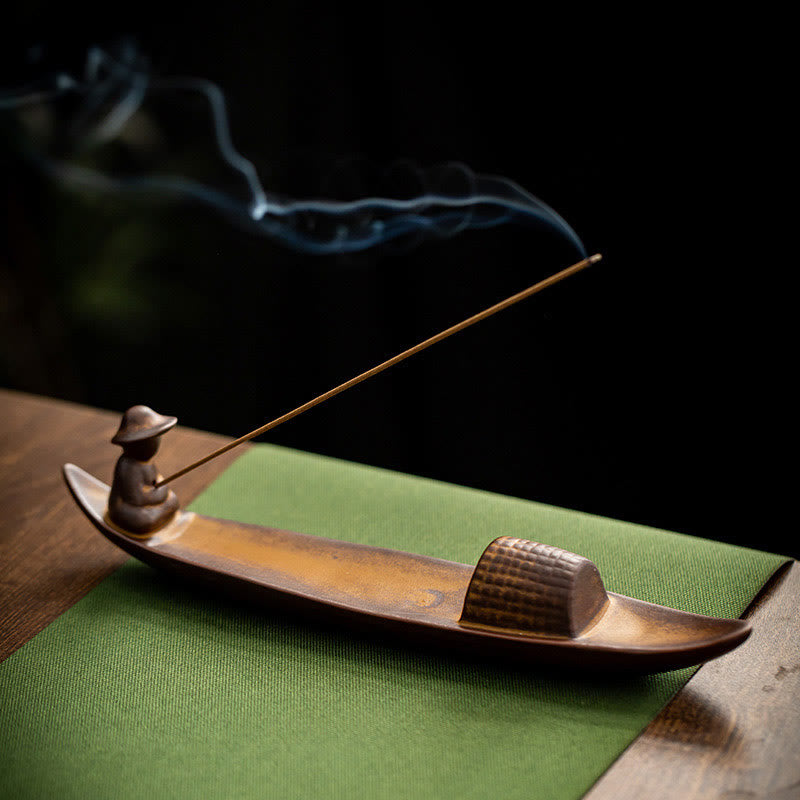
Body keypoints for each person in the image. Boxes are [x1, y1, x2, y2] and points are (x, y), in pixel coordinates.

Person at [107, 405, 180, 534]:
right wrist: (160, 492)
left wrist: (160, 488)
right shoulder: (128, 465)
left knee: (173, 500)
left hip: (150, 502)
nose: (157, 443)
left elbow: (156, 481)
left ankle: (158, 515)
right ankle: (154, 519)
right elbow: (137, 498)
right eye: (151, 440)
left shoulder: (147, 462)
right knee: (144, 520)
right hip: (126, 507)